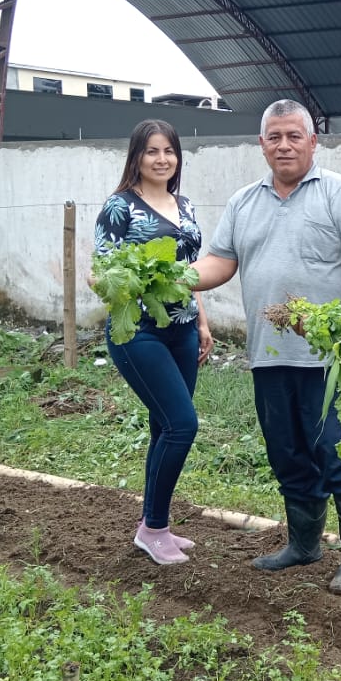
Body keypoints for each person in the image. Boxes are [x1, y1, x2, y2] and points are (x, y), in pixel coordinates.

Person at [192, 99, 341, 595]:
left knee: (340, 454)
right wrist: (171, 277)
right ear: (261, 144)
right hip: (270, 357)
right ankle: (304, 543)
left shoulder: (338, 192)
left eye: (294, 136)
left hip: (330, 361)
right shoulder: (243, 202)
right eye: (274, 137)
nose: (284, 145)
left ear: (312, 142)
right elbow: (219, 262)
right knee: (288, 452)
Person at [94, 118, 213, 566]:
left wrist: (202, 322)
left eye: (169, 151)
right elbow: (101, 272)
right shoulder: (119, 206)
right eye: (152, 151)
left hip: (183, 329)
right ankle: (153, 529)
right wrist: (135, 281)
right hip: (138, 331)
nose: (162, 159)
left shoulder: (186, 205)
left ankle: (153, 521)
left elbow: (191, 268)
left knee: (164, 427)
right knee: (182, 425)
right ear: (136, 157)